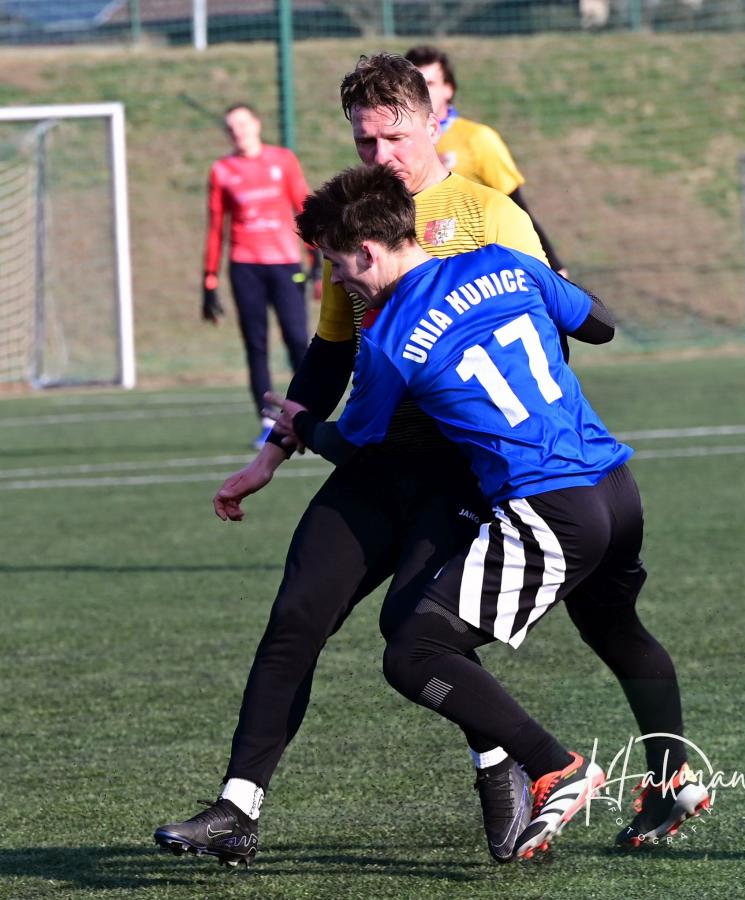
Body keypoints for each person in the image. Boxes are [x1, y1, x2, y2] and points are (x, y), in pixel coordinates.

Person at [154, 53, 550, 869]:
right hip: (373, 462)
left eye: (393, 137)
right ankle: (237, 809)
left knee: (416, 632)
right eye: (365, 141)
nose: (380, 156)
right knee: (297, 615)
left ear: (433, 121)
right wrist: (271, 454)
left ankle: (500, 762)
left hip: (461, 469)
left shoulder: (491, 218)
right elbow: (330, 353)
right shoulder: (357, 215)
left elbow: (543, 349)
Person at [273, 163, 710, 858]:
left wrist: (300, 423)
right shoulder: (507, 261)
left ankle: (556, 768)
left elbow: (356, 447)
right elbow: (599, 326)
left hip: (551, 507)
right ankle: (670, 780)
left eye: (334, 262)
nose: (336, 279)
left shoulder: (387, 338)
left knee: (415, 652)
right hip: (615, 485)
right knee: (615, 628)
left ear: (368, 250)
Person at [201, 102, 318, 449]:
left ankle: (307, 413)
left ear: (257, 124)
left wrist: (315, 254)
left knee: (297, 339)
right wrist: (209, 278)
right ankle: (268, 421)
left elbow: (304, 208)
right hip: (245, 265)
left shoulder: (283, 160)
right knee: (256, 344)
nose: (237, 131)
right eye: (230, 126)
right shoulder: (222, 170)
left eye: (242, 123)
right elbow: (215, 227)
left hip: (285, 264)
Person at [405, 45, 567, 276]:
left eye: (429, 84)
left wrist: (555, 268)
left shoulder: (478, 139)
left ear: (449, 89)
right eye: (416, 85)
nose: (423, 92)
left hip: (480, 269)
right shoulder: (398, 145)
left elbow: (517, 208)